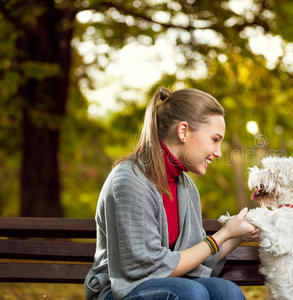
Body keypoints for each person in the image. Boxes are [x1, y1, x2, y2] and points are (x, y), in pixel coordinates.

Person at [84, 87, 259, 300]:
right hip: (120, 290)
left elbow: (198, 258)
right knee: (190, 293)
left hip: (169, 286)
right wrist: (222, 234)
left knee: (226, 291)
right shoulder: (129, 181)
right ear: (183, 131)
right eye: (214, 139)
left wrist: (236, 235)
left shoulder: (185, 186)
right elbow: (148, 268)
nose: (218, 152)